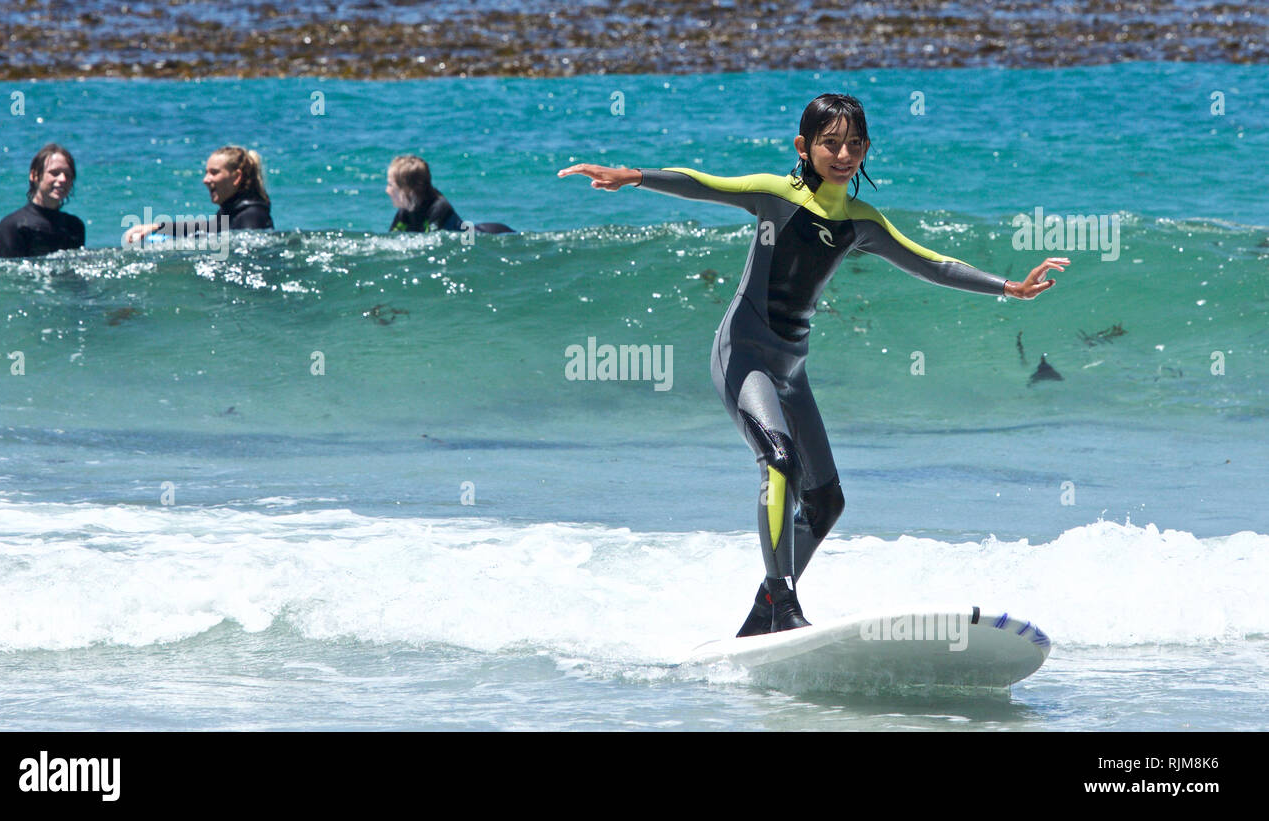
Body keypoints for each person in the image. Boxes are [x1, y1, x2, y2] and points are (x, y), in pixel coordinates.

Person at [559, 93, 1065, 636]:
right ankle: (783, 603)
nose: (843, 153)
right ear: (804, 146)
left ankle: (761, 617)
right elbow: (704, 182)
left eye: (854, 143)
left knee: (825, 501)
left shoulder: (860, 222)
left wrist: (1009, 287)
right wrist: (634, 176)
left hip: (790, 369)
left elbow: (930, 263)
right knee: (779, 460)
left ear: (866, 148)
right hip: (744, 355)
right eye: (830, 142)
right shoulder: (775, 196)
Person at [122, 145, 273, 246]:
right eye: (206, 173)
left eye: (214, 173)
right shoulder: (233, 213)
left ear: (236, 177)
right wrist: (156, 227)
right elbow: (206, 228)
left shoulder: (251, 216)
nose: (205, 180)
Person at [0, 143, 85, 258]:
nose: (63, 179)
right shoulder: (13, 226)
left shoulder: (74, 226)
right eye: (54, 173)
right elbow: (7, 274)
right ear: (34, 175)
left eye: (68, 175)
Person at [387, 155, 513, 234]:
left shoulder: (439, 208)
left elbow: (434, 243)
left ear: (409, 190)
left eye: (391, 185)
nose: (388, 190)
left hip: (491, 233)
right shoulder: (405, 211)